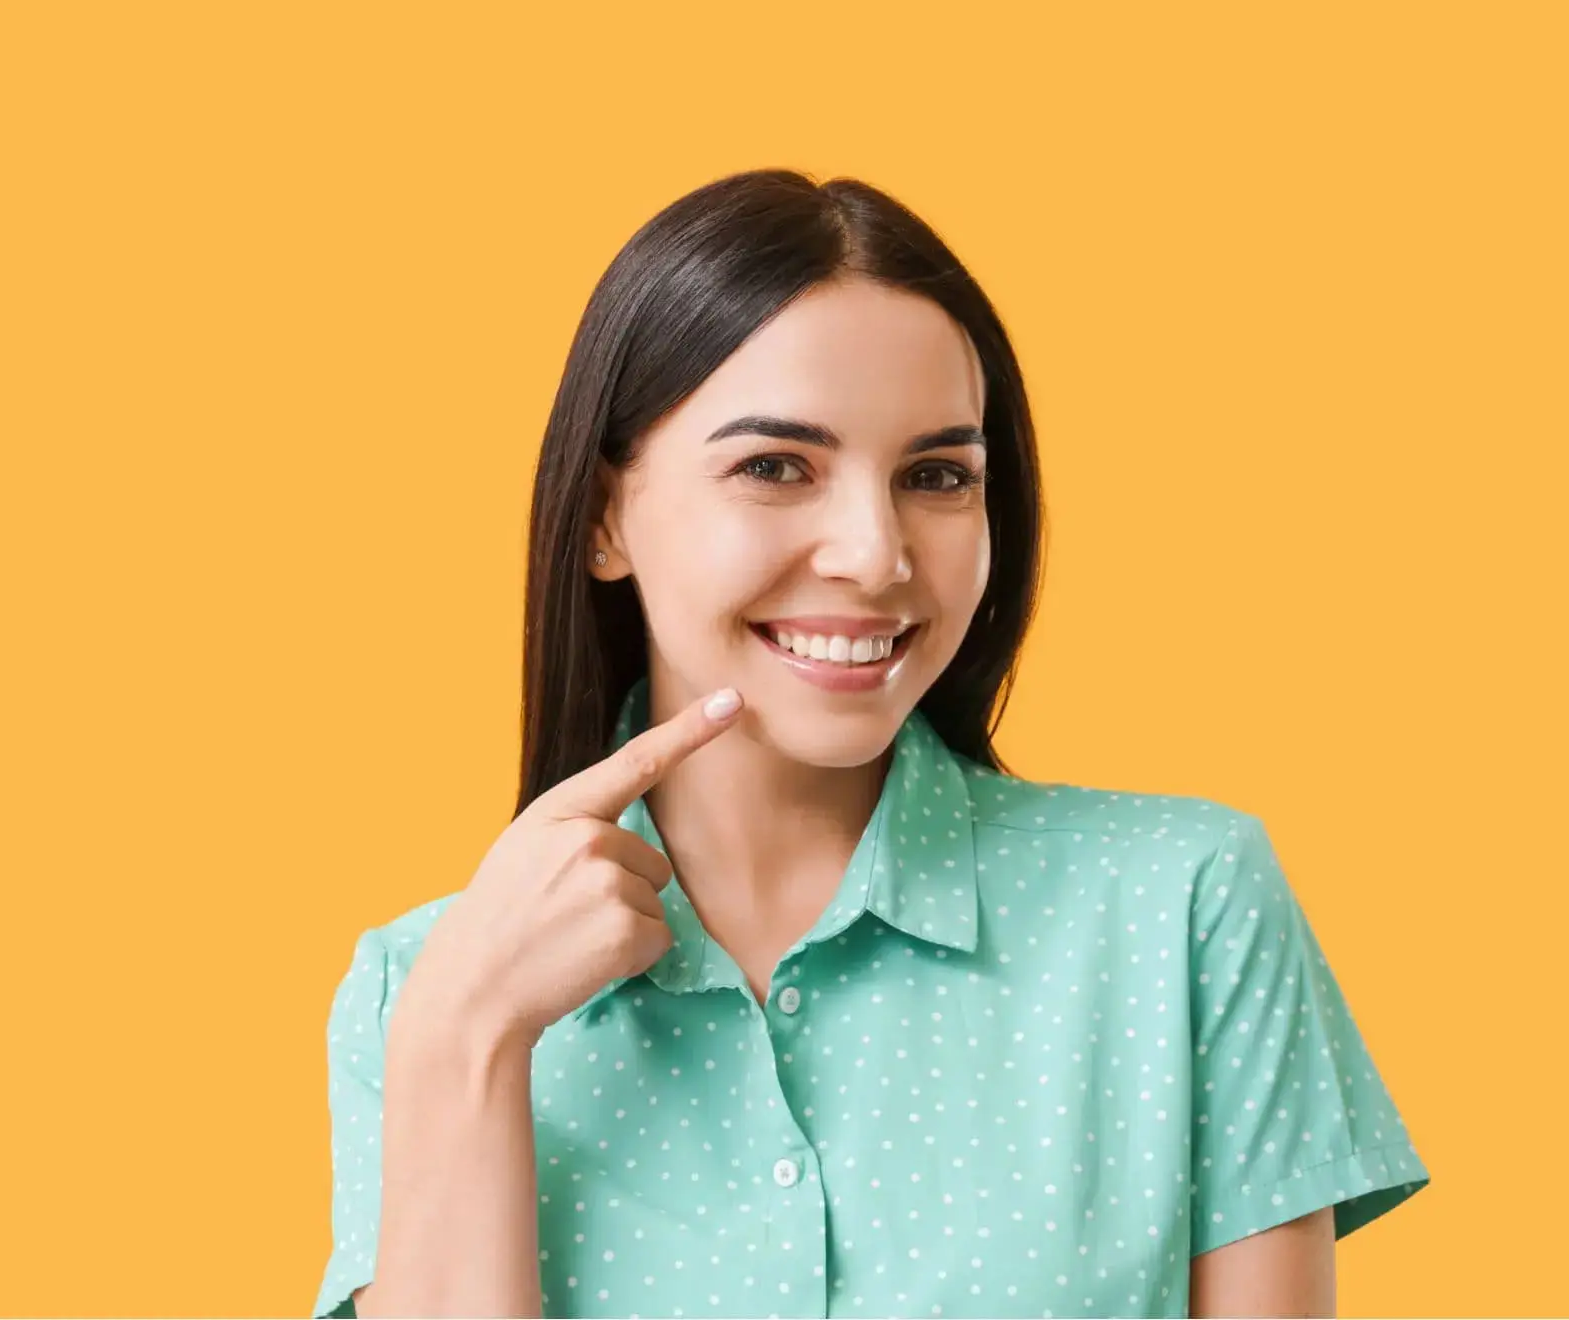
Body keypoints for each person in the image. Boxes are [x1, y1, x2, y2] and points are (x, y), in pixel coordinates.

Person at [311, 168, 1429, 1319]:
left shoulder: (1184, 910)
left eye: (937, 476)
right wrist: (463, 1041)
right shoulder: (423, 992)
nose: (875, 553)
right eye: (775, 467)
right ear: (605, 518)